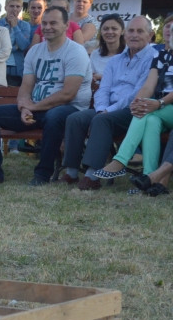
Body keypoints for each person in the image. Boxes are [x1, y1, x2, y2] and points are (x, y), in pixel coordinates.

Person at [0, 6, 91, 185]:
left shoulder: (75, 52)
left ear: (66, 26)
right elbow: (26, 87)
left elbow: (68, 94)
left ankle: (42, 174)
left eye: (53, 23)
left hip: (70, 110)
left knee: (54, 116)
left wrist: (33, 107)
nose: (47, 27)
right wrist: (25, 107)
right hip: (37, 108)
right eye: (45, 23)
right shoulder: (35, 51)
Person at [59, 16, 155, 190]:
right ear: (125, 35)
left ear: (150, 35)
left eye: (140, 31)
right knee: (76, 118)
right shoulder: (115, 60)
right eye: (131, 31)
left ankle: (92, 177)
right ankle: (72, 172)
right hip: (107, 109)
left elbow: (137, 94)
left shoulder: (153, 59)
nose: (134, 35)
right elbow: (103, 89)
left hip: (133, 110)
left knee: (101, 120)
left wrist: (107, 111)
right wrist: (102, 108)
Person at [93, 24, 173, 181]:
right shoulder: (161, 55)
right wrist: (138, 102)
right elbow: (148, 85)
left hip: (166, 105)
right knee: (150, 119)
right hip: (161, 108)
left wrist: (158, 103)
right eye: (168, 27)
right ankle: (148, 177)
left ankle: (120, 160)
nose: (170, 30)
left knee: (146, 110)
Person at [0, 0, 32, 87]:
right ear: (5, 7)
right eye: (11, 6)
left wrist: (15, 26)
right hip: (1, 64)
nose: (14, 9)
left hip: (17, 66)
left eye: (17, 6)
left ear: (21, 8)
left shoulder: (25, 25)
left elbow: (23, 46)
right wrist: (14, 47)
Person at [89, 14, 125, 83]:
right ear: (101, 32)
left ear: (122, 31)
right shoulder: (95, 54)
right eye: (105, 29)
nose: (110, 32)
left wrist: (102, 77)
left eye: (114, 29)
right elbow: (91, 77)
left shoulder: (130, 53)